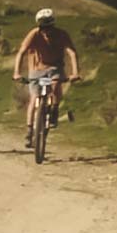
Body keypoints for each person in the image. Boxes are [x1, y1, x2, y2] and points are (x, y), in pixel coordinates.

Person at [12, 8, 79, 145]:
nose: (46, 32)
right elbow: (21, 52)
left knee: (55, 85)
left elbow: (71, 53)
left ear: (53, 25)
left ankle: (54, 109)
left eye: (49, 28)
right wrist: (17, 73)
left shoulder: (62, 34)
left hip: (55, 68)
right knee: (34, 98)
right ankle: (30, 130)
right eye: (43, 28)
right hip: (37, 69)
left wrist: (75, 73)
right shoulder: (34, 34)